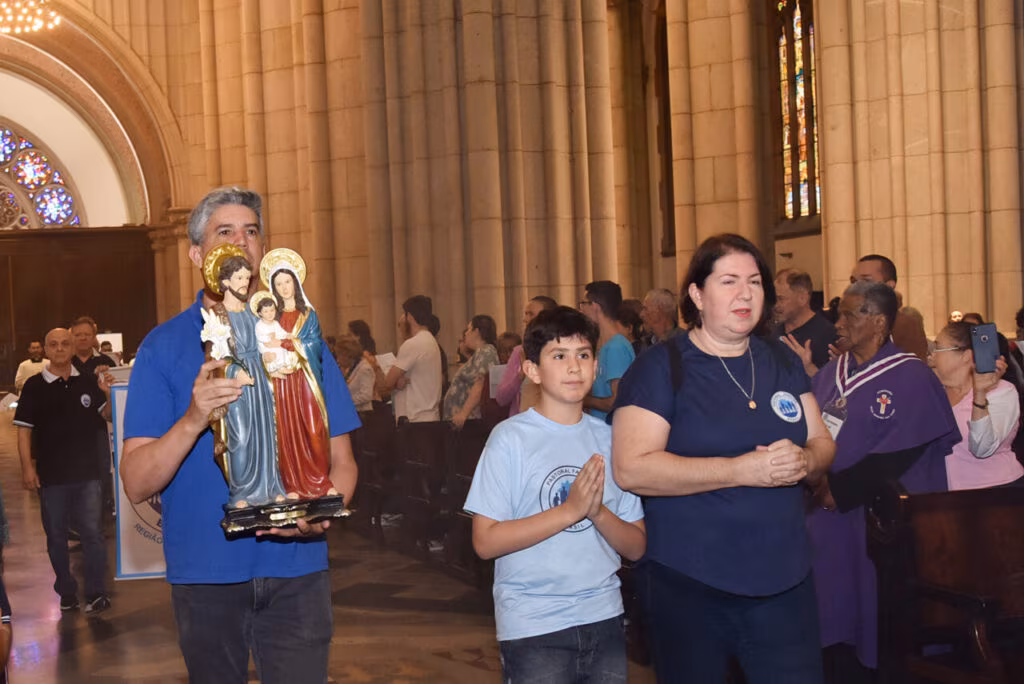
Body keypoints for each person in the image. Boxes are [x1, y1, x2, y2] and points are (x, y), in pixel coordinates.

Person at [120, 186, 360, 684]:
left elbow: (343, 459)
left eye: (251, 231)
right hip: (206, 572)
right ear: (196, 253)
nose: (242, 242)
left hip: (297, 568)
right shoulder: (163, 347)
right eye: (224, 232)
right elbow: (137, 481)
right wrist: (192, 418)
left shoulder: (300, 336)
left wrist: (320, 513)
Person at [612, 233, 835, 682]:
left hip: (784, 579)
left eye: (754, 282)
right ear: (697, 293)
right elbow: (631, 467)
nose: (745, 294)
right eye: (729, 281)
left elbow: (822, 441)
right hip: (692, 584)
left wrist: (805, 462)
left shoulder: (782, 361)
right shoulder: (661, 367)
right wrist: (739, 471)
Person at [465, 306, 646, 683]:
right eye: (558, 356)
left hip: (604, 615)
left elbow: (636, 546)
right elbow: (485, 541)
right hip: (534, 624)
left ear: (596, 367)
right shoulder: (510, 439)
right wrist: (570, 511)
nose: (574, 367)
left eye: (583, 355)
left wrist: (596, 513)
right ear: (531, 370)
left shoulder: (611, 441)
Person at [807, 281, 960, 678]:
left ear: (878, 323)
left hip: (877, 522)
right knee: (833, 625)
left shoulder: (911, 376)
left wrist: (835, 491)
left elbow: (898, 454)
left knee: (878, 629)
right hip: (828, 524)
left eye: (848, 314)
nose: (838, 322)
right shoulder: (827, 375)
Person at [14, 328, 113, 614]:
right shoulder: (34, 386)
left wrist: (106, 393)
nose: (59, 349)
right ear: (45, 349)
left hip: (88, 475)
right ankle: (66, 591)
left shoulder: (89, 382)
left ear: (73, 348)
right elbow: (23, 433)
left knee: (93, 534)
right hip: (52, 476)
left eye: (65, 344)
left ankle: (96, 592)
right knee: (56, 536)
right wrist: (27, 468)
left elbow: (106, 416)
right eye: (53, 345)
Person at [203, 249, 285, 509]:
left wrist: (275, 357)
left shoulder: (253, 313)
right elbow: (214, 356)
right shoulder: (217, 314)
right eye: (239, 278)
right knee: (241, 436)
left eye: (247, 278)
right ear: (225, 282)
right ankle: (242, 491)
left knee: (267, 432)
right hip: (234, 386)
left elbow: (266, 342)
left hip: (260, 379)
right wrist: (233, 370)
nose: (244, 283)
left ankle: (271, 487)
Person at [265, 253, 336, 501]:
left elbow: (314, 345)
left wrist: (287, 342)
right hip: (283, 382)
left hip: (305, 378)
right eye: (279, 284)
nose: (284, 287)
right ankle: (291, 483)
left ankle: (320, 481)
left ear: (296, 283)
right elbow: (264, 346)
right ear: (273, 288)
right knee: (287, 430)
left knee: (313, 428)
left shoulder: (308, 314)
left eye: (288, 282)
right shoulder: (270, 318)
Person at [929, 321, 1023, 489]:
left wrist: (979, 394)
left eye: (938, 348)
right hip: (946, 493)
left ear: (966, 356)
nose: (932, 354)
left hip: (995, 491)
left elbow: (982, 448)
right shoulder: (935, 391)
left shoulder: (1002, 392)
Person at [370, 295, 442, 424]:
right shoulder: (431, 340)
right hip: (430, 417)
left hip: (414, 419)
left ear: (410, 317)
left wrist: (395, 382)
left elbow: (388, 382)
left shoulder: (413, 344)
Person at [849, 255, 929, 361]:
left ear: (889, 286)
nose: (856, 287)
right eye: (854, 281)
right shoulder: (846, 322)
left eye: (866, 281)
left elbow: (914, 371)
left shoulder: (904, 325)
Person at [580, 280, 635, 421]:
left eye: (583, 303)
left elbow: (617, 401)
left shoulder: (616, 347)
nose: (581, 309)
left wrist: (582, 400)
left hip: (612, 434)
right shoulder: (605, 345)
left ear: (595, 307)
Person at [495, 295, 558, 418]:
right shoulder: (519, 352)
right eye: (525, 314)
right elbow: (501, 398)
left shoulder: (563, 351)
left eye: (531, 314)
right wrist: (520, 376)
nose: (525, 319)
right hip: (523, 425)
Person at [774, 268, 836, 375]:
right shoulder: (771, 331)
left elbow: (829, 385)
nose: (775, 305)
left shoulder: (826, 335)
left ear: (802, 298)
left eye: (781, 299)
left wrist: (808, 367)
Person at [444, 315, 500, 429]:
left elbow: (481, 383)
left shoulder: (486, 351)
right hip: (464, 421)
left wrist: (464, 413)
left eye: (469, 329)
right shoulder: (480, 353)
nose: (465, 333)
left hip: (469, 420)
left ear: (477, 331)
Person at [253, 296, 299, 375]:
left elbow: (280, 332)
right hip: (266, 347)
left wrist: (286, 335)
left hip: (275, 344)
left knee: (283, 349)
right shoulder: (259, 325)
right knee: (276, 352)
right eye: (266, 311)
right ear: (260, 313)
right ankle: (278, 368)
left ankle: (283, 366)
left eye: (272, 310)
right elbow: (259, 336)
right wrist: (268, 338)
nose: (270, 313)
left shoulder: (275, 323)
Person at [336, 333, 374, 414]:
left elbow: (366, 396)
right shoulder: (351, 368)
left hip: (362, 414)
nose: (337, 360)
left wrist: (345, 401)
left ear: (347, 355)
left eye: (339, 355)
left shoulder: (364, 369)